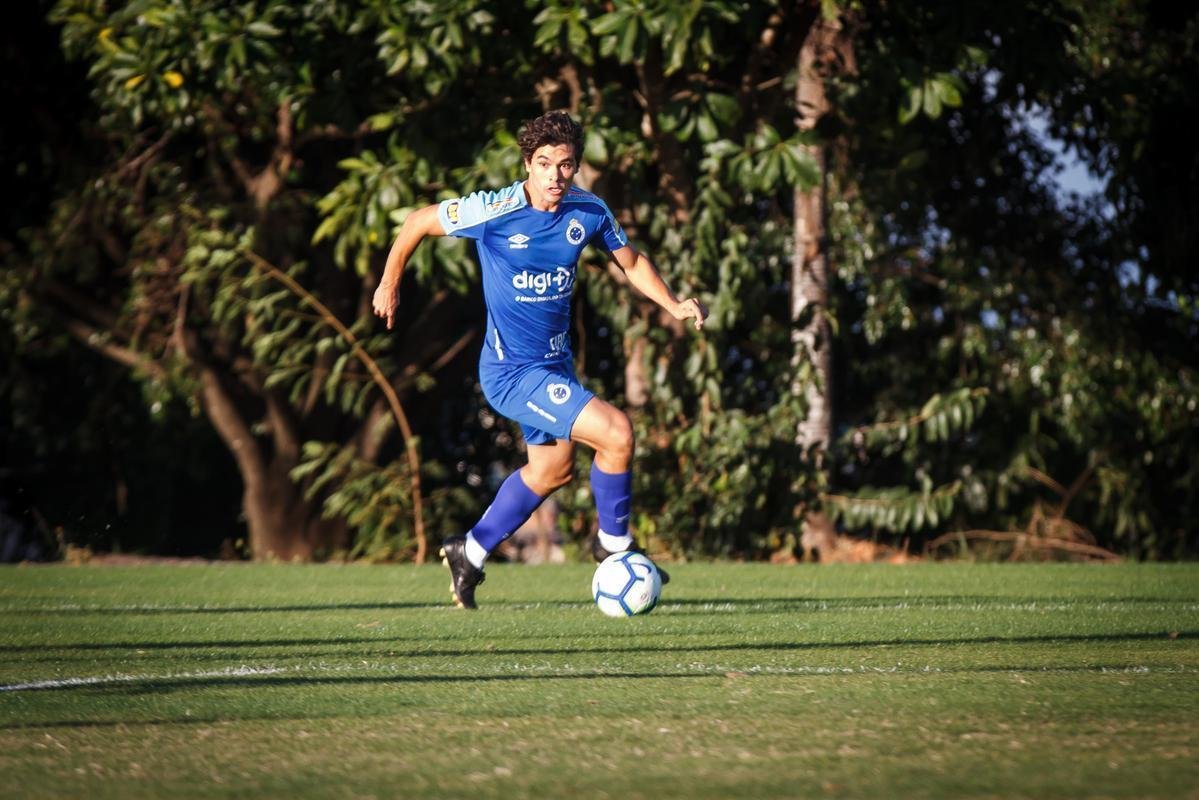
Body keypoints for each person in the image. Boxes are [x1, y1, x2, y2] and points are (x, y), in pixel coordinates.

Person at [371, 111, 707, 609]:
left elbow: (631, 261)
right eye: (544, 163)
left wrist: (674, 303)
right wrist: (389, 281)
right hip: (510, 372)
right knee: (617, 434)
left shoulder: (588, 211)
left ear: (575, 168)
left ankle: (470, 551)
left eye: (565, 165)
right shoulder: (494, 210)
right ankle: (613, 547)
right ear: (528, 163)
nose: (555, 176)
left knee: (552, 470)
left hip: (553, 367)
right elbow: (419, 222)